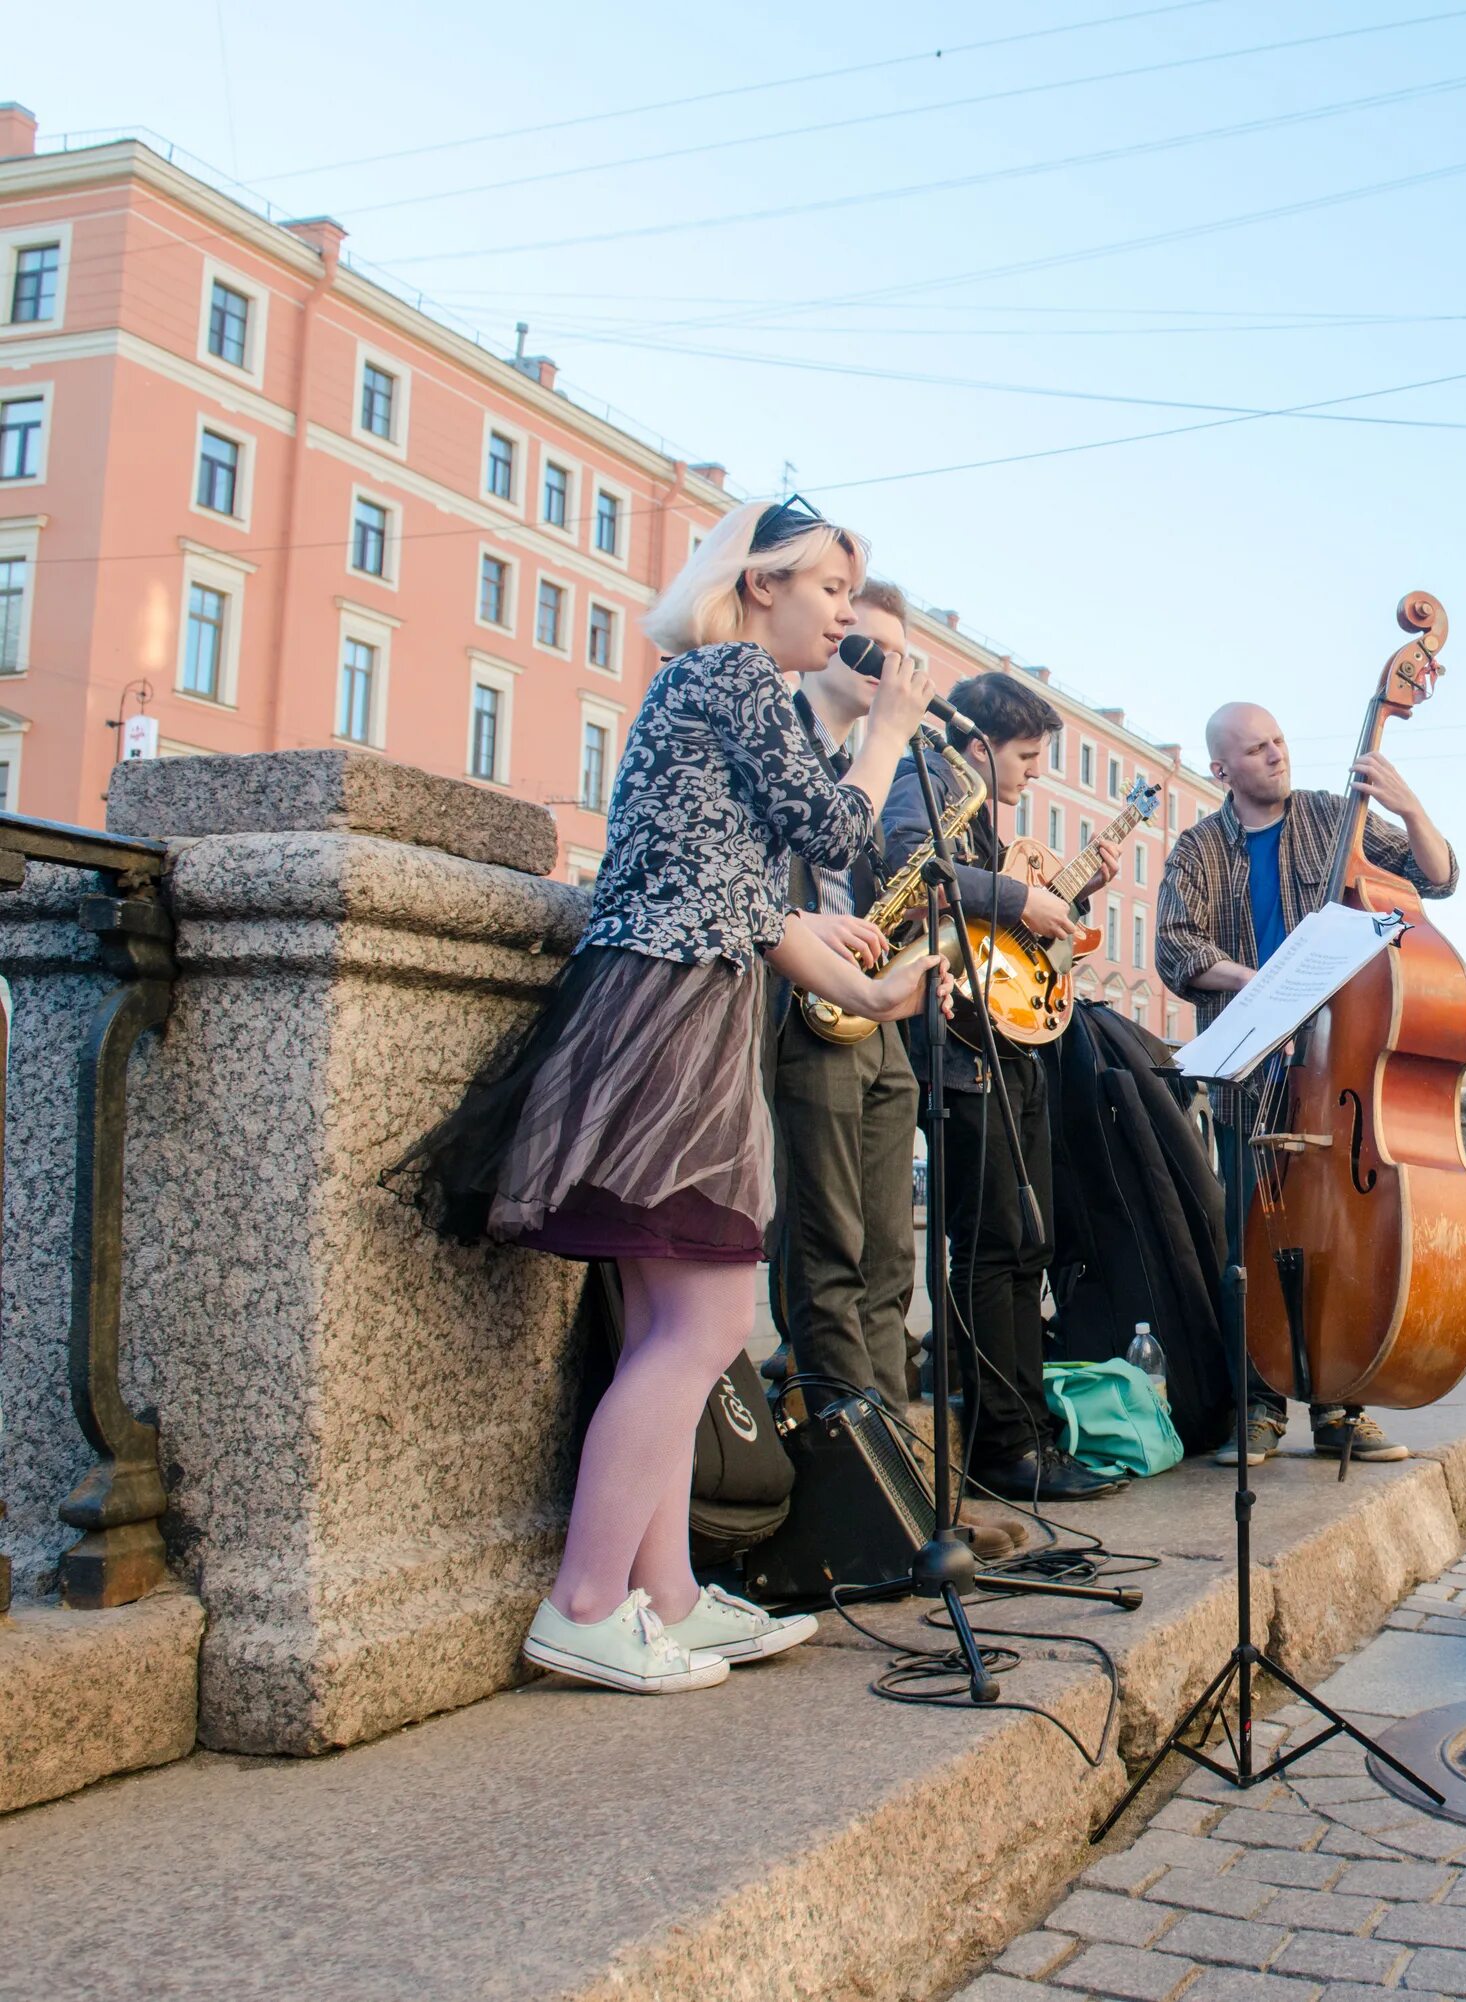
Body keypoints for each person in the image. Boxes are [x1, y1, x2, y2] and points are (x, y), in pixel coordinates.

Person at [400, 497, 940, 1694]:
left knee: (666, 1321)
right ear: (760, 585)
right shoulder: (738, 679)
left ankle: (668, 1594)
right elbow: (838, 823)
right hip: (673, 1015)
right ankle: (587, 1600)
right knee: (701, 1322)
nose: (849, 618)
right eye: (833, 592)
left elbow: (751, 903)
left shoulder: (706, 689)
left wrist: (880, 991)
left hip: (665, 996)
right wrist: (891, 727)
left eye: (856, 597)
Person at [1156, 699, 1454, 1467]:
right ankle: (1254, 1408)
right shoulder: (1197, 848)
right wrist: (1269, 984)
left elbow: (1438, 876)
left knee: (1333, 1237)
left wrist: (1407, 804)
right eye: (1255, 750)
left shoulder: (1333, 819)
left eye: (1279, 741)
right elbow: (1175, 949)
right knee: (1247, 1241)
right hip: (1252, 1069)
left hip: (1338, 1065)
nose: (1275, 756)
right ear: (1222, 769)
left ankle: (1339, 1405)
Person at [889, 669, 1126, 1505]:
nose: (1032, 774)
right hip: (957, 1049)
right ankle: (1000, 1445)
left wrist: (1065, 893)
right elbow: (914, 872)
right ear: (980, 744)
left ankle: (1028, 1429)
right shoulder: (920, 777)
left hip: (1007, 1042)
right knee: (991, 1246)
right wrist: (1023, 896)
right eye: (1025, 757)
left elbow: (1005, 926)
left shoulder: (980, 809)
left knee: (1027, 1241)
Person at [767, 580, 923, 1418]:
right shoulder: (779, 737)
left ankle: (899, 1450)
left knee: (891, 1258)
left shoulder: (872, 760)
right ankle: (854, 1473)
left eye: (897, 656)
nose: (883, 669)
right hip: (804, 1013)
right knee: (829, 1253)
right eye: (868, 647)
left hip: (874, 1015)